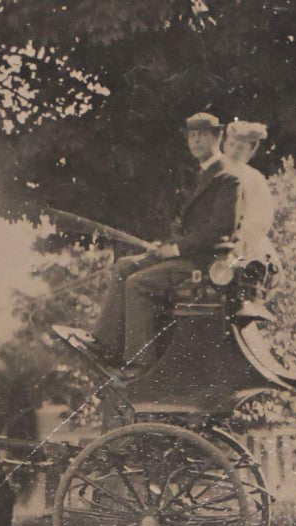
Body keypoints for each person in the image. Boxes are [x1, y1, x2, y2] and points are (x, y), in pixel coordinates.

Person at [91, 112, 241, 365]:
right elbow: (190, 227)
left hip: (203, 264)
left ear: (218, 137)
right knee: (122, 268)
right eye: (192, 136)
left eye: (202, 135)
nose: (195, 141)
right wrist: (166, 245)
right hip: (186, 256)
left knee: (138, 282)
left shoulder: (228, 176)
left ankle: (140, 363)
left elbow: (219, 228)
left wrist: (176, 249)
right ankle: (107, 347)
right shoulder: (205, 172)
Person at [220, 120, 277, 266]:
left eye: (240, 147)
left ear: (250, 151)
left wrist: (238, 249)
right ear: (224, 145)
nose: (233, 151)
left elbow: (259, 221)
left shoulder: (254, 179)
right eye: (231, 144)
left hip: (242, 249)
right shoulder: (213, 175)